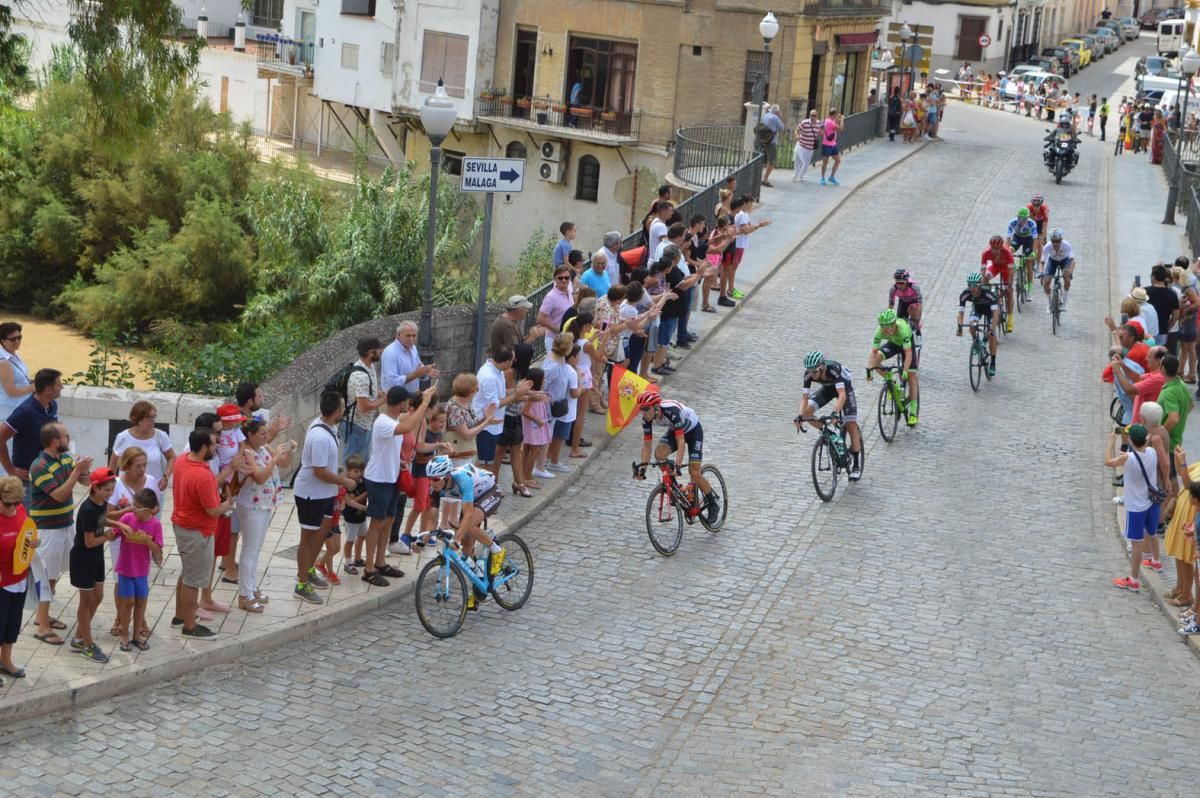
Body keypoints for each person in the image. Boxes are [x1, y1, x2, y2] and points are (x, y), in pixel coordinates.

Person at [362, 385, 436, 584]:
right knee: (377, 523)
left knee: (389, 520)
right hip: (378, 479)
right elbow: (408, 427)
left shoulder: (391, 420)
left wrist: (399, 462)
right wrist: (426, 402)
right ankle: (369, 569)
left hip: (392, 477)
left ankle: (380, 562)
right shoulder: (384, 422)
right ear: (402, 403)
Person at [292, 392, 359, 603]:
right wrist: (344, 481)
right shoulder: (319, 437)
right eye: (343, 408)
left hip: (325, 493)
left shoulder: (329, 426)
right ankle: (302, 584)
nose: (345, 411)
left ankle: (309, 570)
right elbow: (319, 471)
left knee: (323, 530)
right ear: (336, 412)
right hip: (311, 494)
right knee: (308, 537)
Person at [29, 421, 91, 644]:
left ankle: (42, 616)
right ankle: (42, 627)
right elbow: (59, 495)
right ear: (55, 441)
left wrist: (84, 472)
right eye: (66, 435)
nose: (69, 437)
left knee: (54, 575)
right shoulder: (39, 466)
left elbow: (85, 483)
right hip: (47, 531)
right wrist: (76, 471)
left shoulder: (65, 459)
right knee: (45, 577)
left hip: (65, 525)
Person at [172, 429, 233, 638]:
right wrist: (227, 504)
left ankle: (180, 615)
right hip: (197, 532)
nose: (216, 448)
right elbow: (213, 510)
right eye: (214, 445)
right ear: (204, 447)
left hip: (182, 526)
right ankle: (189, 625)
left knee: (187, 572)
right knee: (193, 580)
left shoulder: (182, 461)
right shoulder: (203, 475)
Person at [633, 389, 720, 523]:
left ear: (656, 407)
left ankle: (713, 504)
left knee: (694, 471)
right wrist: (642, 469)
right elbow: (647, 446)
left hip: (693, 431)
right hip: (676, 430)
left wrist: (678, 466)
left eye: (646, 409)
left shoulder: (671, 411)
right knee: (659, 454)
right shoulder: (646, 419)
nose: (643, 413)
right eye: (641, 409)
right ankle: (675, 489)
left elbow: (681, 442)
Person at [235, 418, 293, 612]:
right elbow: (259, 477)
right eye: (261, 433)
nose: (265, 436)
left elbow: (284, 463)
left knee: (257, 548)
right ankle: (245, 594)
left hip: (265, 503)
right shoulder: (247, 452)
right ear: (250, 435)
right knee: (250, 549)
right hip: (251, 505)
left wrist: (289, 450)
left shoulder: (264, 446)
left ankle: (251, 587)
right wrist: (275, 459)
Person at [70, 468, 124, 663]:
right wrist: (108, 536)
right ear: (95, 488)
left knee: (98, 597)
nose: (110, 494)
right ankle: (87, 645)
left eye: (112, 489)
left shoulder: (101, 504)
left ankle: (78, 637)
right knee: (86, 602)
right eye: (107, 490)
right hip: (83, 559)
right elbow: (89, 541)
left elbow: (104, 519)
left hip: (96, 557)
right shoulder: (87, 509)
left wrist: (122, 524)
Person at [1105, 426, 1160, 592]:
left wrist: (1111, 442)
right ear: (1145, 439)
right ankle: (1156, 562)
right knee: (1152, 533)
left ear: (1130, 440)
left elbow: (1108, 462)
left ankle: (1133, 580)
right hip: (1152, 502)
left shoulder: (1128, 458)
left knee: (1136, 544)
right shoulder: (1152, 452)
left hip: (1136, 507)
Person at [795, 351, 862, 480]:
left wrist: (835, 413)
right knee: (807, 412)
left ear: (822, 367)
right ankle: (830, 433)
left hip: (844, 389)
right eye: (809, 372)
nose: (811, 375)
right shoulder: (808, 374)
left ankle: (856, 465)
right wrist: (800, 416)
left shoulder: (833, 370)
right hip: (828, 389)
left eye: (814, 372)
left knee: (850, 423)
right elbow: (804, 398)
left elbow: (842, 395)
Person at [0, 368, 62, 504]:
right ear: (48, 389)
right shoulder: (25, 412)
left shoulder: (52, 406)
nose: (62, 387)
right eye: (58, 384)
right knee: (28, 523)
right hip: (28, 480)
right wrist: (10, 469)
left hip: (48, 475)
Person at [112, 487, 162, 652]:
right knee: (128, 603)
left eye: (136, 507)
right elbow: (114, 532)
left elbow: (157, 549)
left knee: (141, 602)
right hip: (125, 569)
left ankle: (136, 634)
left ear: (147, 510)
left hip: (141, 571)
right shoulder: (127, 518)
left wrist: (147, 541)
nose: (132, 509)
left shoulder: (155, 524)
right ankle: (124, 634)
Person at [0, 475, 33, 680]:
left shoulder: (20, 510)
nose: (13, 507)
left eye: (17, 502)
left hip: (19, 577)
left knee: (13, 622)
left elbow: (26, 535)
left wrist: (33, 543)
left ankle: (6, 661)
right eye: (8, 503)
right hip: (2, 580)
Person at [866, 309, 919, 427]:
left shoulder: (903, 330)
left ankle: (913, 412)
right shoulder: (880, 331)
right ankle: (892, 383)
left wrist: (905, 371)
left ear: (894, 325)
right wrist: (870, 370)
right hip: (894, 344)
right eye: (883, 328)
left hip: (907, 345)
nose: (884, 330)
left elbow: (909, 355)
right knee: (876, 360)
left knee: (911, 375)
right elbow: (873, 353)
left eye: (887, 328)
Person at [108, 401, 175, 492]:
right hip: (127, 490)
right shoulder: (123, 437)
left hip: (153, 490)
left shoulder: (161, 436)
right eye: (149, 417)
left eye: (154, 417)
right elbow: (113, 464)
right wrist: (110, 486)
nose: (153, 420)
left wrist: (166, 477)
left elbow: (172, 457)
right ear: (138, 419)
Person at [342, 337, 385, 464]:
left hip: (363, 425)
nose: (381, 352)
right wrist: (384, 400)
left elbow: (366, 389)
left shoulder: (368, 366)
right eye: (379, 350)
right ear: (371, 352)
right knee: (353, 465)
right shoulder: (360, 375)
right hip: (356, 426)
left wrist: (378, 393)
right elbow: (364, 407)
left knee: (362, 463)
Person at [956, 272, 1001, 377]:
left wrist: (992, 329)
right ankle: (976, 341)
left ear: (980, 285)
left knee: (992, 336)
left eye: (974, 285)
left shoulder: (988, 293)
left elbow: (995, 314)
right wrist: (959, 327)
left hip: (990, 311)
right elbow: (961, 312)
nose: (972, 288)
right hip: (977, 309)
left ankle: (993, 362)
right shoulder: (965, 294)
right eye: (969, 285)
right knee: (972, 325)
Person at [381, 321, 438, 393]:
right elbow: (392, 383)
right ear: (398, 335)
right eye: (408, 336)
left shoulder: (413, 348)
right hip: (396, 401)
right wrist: (416, 374)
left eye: (414, 335)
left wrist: (425, 371)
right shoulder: (390, 353)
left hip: (412, 396)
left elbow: (418, 366)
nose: (411, 339)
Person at [0, 323, 32, 449]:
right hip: (9, 412)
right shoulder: (3, 362)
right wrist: (35, 387)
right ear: (2, 340)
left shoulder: (14, 354)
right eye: (13, 339)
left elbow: (22, 379)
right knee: (11, 448)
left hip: (19, 408)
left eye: (19, 337)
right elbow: (11, 390)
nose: (17, 341)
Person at [981, 235, 1016, 333]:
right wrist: (983, 283)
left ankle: (1010, 319)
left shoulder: (1007, 252)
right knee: (986, 277)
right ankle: (991, 295)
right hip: (995, 266)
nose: (995, 251)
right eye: (993, 248)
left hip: (1006, 269)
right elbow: (983, 269)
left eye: (997, 249)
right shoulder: (986, 253)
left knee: (1009, 292)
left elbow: (1011, 271)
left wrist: (1009, 285)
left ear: (1001, 247)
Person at [1039, 228, 1075, 312]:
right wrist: (1041, 273)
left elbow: (1072, 261)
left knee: (1066, 278)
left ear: (1061, 240)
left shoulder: (1066, 245)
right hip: (1053, 261)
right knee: (1046, 282)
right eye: (1053, 241)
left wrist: (1070, 272)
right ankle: (1049, 303)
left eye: (1057, 241)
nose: (1055, 243)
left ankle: (1065, 302)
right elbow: (1042, 261)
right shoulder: (1048, 246)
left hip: (1065, 261)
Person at [888, 269, 923, 339]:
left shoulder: (914, 287)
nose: (899, 286)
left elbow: (920, 305)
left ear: (907, 281)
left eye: (901, 283)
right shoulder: (893, 289)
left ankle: (917, 333)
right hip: (903, 302)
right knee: (899, 322)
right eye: (897, 283)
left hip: (914, 303)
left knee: (912, 311)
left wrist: (917, 321)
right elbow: (891, 305)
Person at [759, 104, 785, 187]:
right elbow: (782, 127)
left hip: (763, 139)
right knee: (772, 162)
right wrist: (779, 117)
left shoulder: (766, 115)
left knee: (764, 159)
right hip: (771, 141)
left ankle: (762, 176)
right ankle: (765, 179)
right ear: (777, 111)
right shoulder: (775, 118)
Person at [794, 108, 820, 180]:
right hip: (801, 144)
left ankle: (801, 176)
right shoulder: (804, 122)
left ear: (816, 116)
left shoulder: (819, 123)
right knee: (798, 160)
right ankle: (796, 174)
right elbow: (797, 129)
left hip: (810, 147)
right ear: (809, 115)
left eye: (814, 116)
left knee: (806, 163)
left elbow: (822, 131)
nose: (812, 117)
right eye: (811, 115)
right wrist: (797, 135)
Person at [819, 108, 843, 186]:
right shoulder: (830, 122)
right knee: (825, 162)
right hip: (827, 145)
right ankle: (822, 178)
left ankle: (831, 177)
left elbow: (822, 127)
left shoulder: (828, 120)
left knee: (838, 160)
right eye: (836, 115)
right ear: (834, 115)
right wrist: (842, 119)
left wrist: (837, 119)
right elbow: (841, 128)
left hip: (833, 144)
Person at [1026, 193, 1049, 262]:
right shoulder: (1028, 208)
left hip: (1040, 224)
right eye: (1034, 206)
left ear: (1040, 205)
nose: (1035, 208)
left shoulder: (1045, 210)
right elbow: (1025, 222)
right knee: (1029, 241)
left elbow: (1044, 226)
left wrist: (1044, 238)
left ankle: (1037, 264)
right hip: (1031, 224)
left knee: (1039, 245)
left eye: (1037, 206)